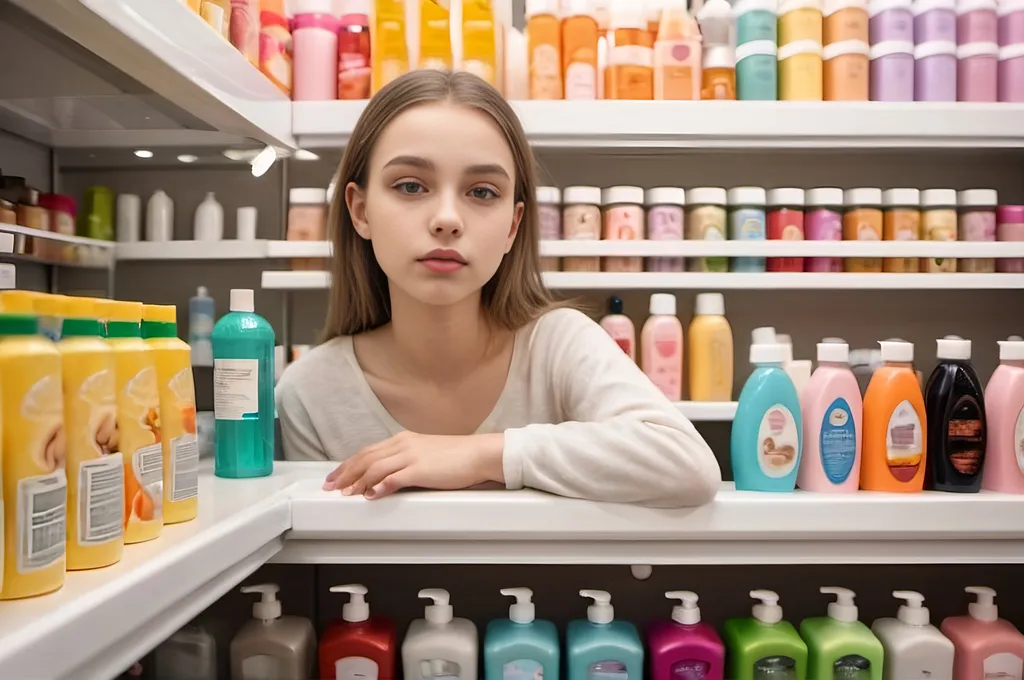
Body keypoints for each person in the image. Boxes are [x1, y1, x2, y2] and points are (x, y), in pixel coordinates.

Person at [275, 69, 721, 508]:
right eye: (410, 186)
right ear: (360, 210)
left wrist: (485, 454)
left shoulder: (557, 345)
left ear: (513, 225)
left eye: (482, 192)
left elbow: (688, 465)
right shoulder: (311, 393)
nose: (447, 218)